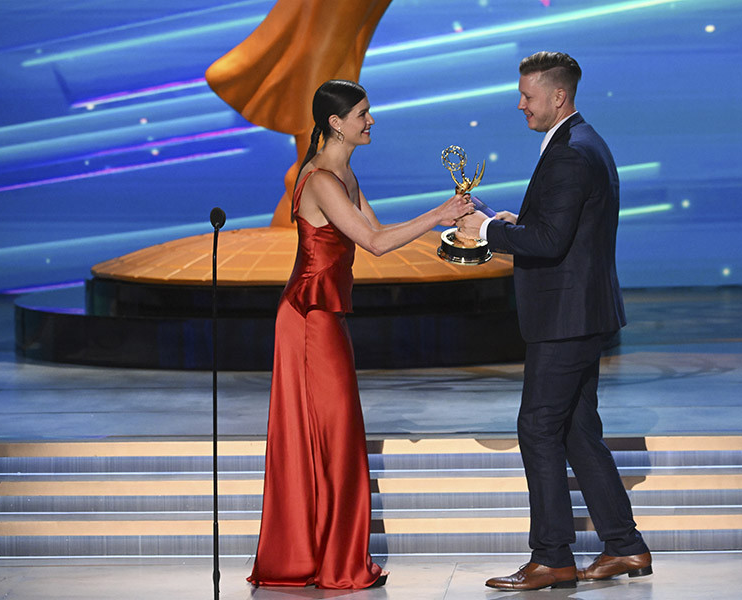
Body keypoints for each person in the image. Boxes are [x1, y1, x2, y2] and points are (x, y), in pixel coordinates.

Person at [247, 79, 472, 590]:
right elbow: (372, 241)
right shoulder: (322, 177)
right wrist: (440, 212)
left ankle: (326, 556)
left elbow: (383, 237)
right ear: (336, 123)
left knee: (337, 438)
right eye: (363, 114)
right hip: (307, 319)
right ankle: (330, 562)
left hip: (326, 318)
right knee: (335, 438)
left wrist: (452, 232)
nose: (371, 121)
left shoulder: (345, 172)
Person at [457, 51, 651, 591]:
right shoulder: (582, 142)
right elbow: (559, 228)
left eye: (527, 95)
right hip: (581, 313)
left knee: (538, 427)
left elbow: (549, 242)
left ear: (557, 96)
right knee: (578, 430)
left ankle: (552, 558)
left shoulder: (570, 153)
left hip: (566, 318)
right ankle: (625, 547)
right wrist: (514, 221)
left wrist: (487, 233)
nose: (520, 104)